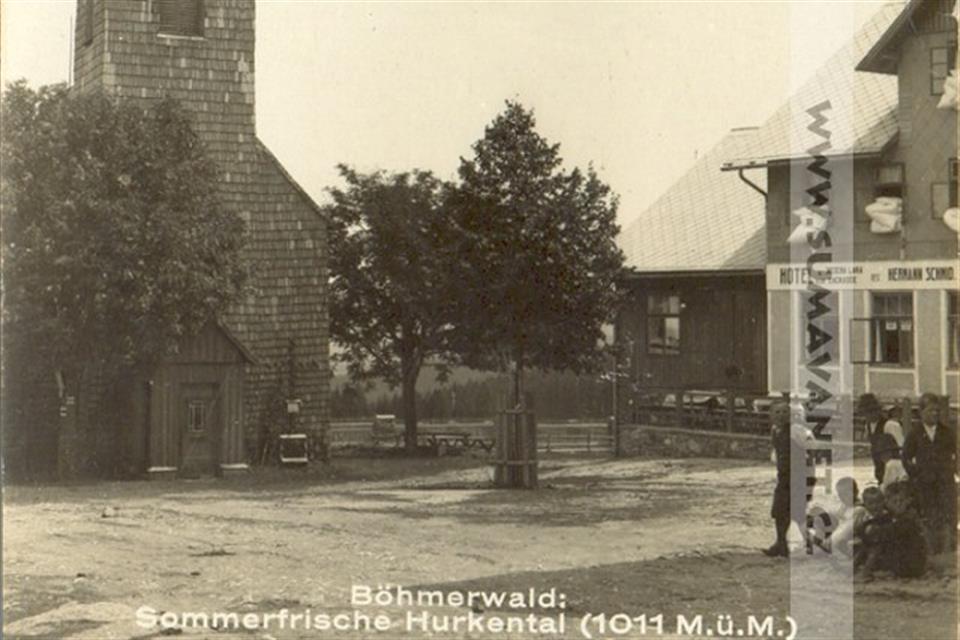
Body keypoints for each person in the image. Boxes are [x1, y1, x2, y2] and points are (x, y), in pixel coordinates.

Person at [901, 393, 957, 555]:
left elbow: (957, 453)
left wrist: (953, 469)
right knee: (930, 514)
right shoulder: (915, 433)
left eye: (937, 410)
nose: (935, 414)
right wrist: (916, 475)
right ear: (921, 412)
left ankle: (949, 549)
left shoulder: (947, 432)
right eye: (931, 410)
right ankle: (932, 550)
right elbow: (906, 458)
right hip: (925, 484)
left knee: (948, 513)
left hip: (945, 482)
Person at [763, 400, 814, 558]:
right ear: (771, 415)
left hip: (799, 476)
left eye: (785, 412)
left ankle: (810, 543)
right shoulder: (775, 431)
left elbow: (811, 448)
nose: (781, 415)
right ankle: (781, 543)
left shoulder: (796, 430)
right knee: (779, 510)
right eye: (777, 412)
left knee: (797, 512)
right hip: (784, 476)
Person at [858, 483, 927, 580]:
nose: (898, 505)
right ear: (887, 503)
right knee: (870, 541)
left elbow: (893, 529)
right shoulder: (891, 515)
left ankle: (867, 571)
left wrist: (875, 530)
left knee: (878, 543)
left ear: (908, 501)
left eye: (901, 501)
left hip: (911, 563)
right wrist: (866, 528)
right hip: (900, 557)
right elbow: (876, 521)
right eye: (894, 502)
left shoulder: (909, 517)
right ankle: (857, 565)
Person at [858, 393, 903, 484]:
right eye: (867, 412)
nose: (870, 415)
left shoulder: (890, 425)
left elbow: (901, 449)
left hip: (893, 470)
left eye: (873, 411)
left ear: (879, 410)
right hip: (879, 468)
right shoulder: (868, 426)